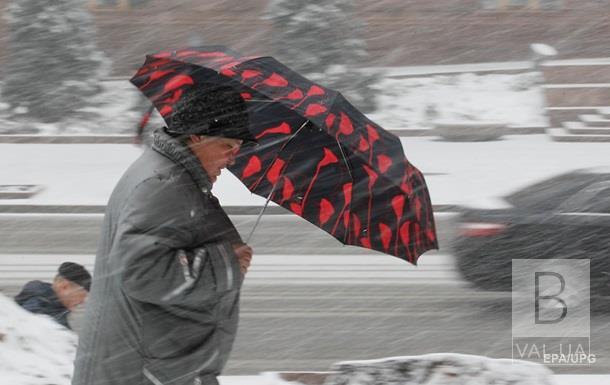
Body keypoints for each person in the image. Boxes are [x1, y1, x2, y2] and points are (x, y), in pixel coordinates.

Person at [72, 84, 255, 385]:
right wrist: (225, 264)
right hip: (139, 372)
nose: (233, 158)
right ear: (197, 135)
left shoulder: (171, 175)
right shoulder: (165, 184)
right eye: (228, 146)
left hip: (141, 367)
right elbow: (141, 271)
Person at [14, 261, 91, 329]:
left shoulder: (55, 309)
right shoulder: (37, 308)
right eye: (81, 294)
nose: (82, 301)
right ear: (64, 287)